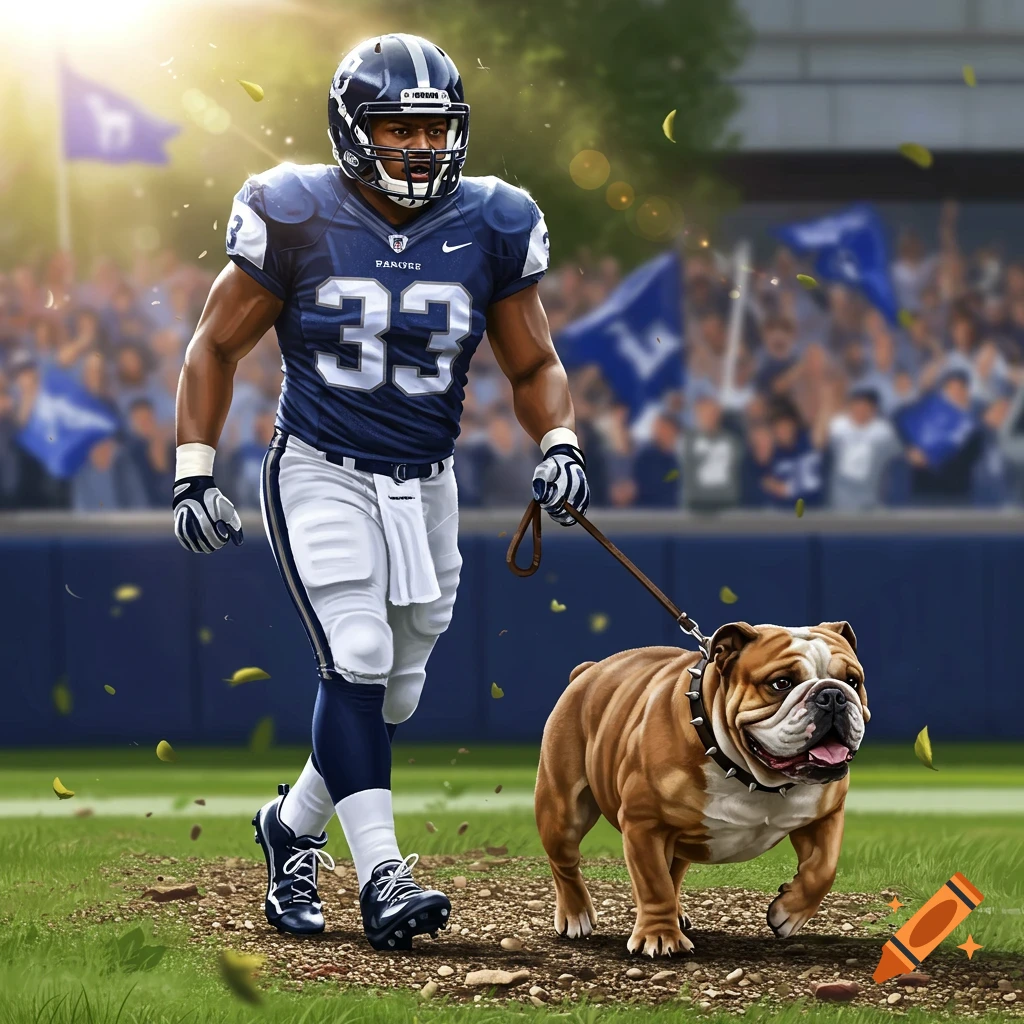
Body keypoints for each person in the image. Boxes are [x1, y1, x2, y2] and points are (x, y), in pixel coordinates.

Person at [172, 34, 590, 952]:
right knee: (355, 653)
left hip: (425, 481)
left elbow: (534, 361)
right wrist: (194, 467)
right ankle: (383, 875)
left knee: (395, 690)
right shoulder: (294, 210)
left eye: (433, 130)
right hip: (319, 465)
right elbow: (215, 344)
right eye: (397, 128)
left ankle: (289, 827)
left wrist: (558, 441)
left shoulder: (492, 221)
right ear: (352, 131)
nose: (418, 148)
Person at [826, 386, 901, 511]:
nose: (860, 410)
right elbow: (819, 445)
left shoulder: (883, 431)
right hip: (840, 496)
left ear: (873, 409)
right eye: (857, 405)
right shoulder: (838, 425)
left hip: (870, 497)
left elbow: (900, 456)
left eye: (865, 406)